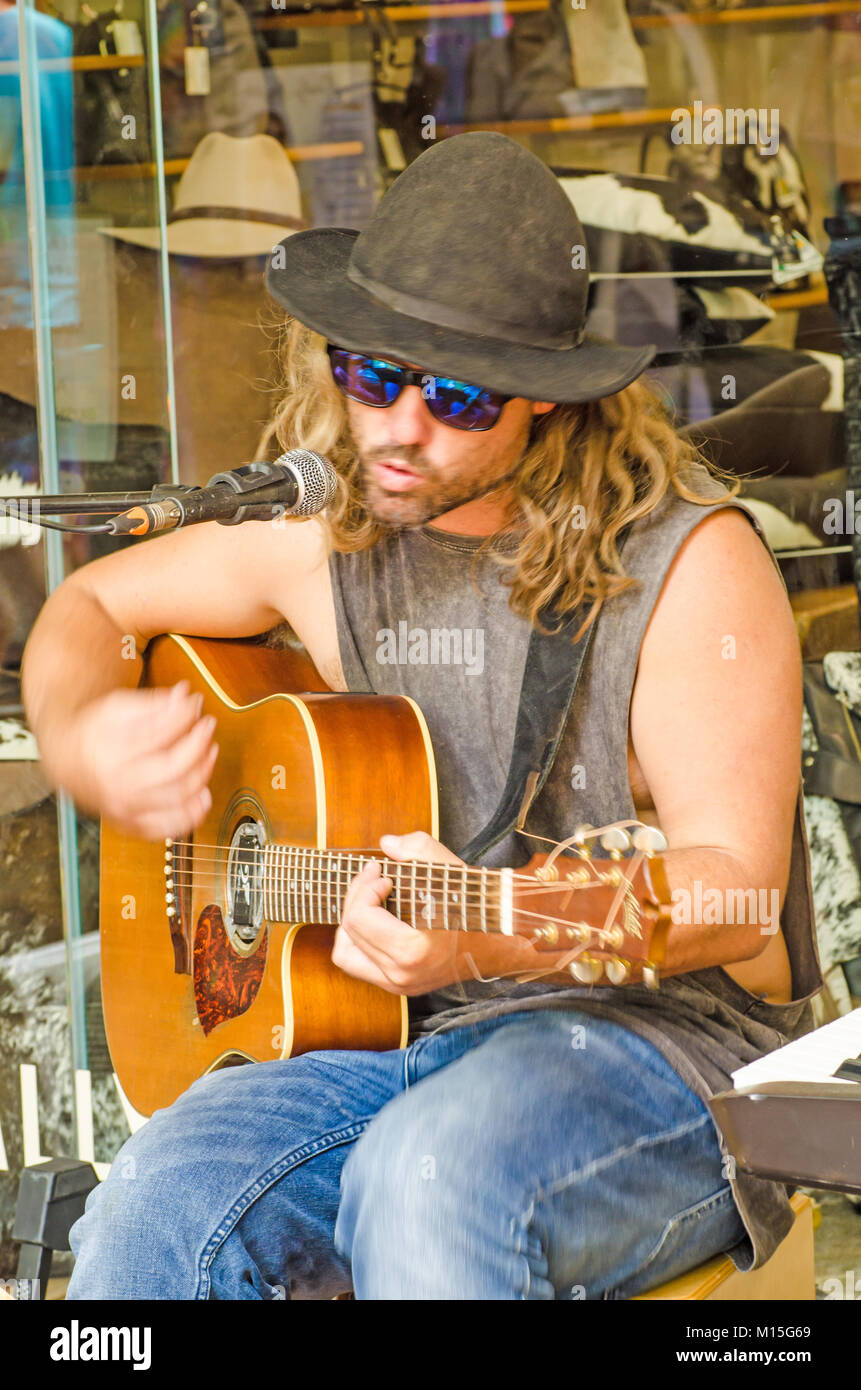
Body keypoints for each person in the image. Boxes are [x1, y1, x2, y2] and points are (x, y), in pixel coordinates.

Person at [22, 132, 821, 1300]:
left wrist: (485, 937)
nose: (401, 425)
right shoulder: (326, 533)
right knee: (151, 1203)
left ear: (548, 404)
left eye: (455, 395)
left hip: (668, 1053)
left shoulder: (689, 566)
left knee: (427, 1182)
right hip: (403, 1036)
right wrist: (81, 730)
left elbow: (730, 892)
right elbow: (87, 604)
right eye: (370, 373)